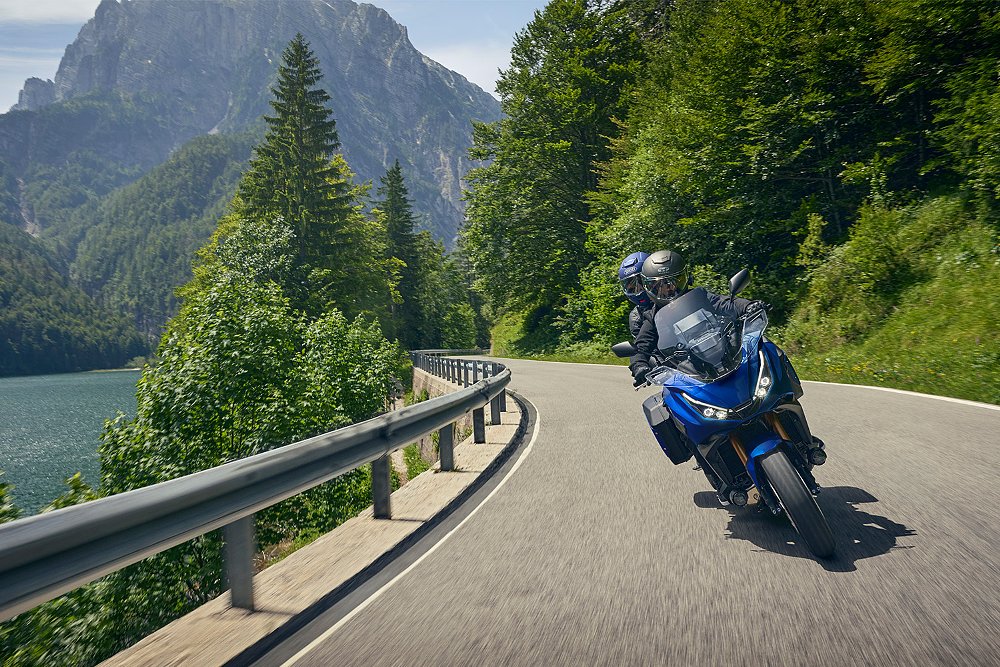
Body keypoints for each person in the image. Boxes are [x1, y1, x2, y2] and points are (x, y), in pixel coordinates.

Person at [629, 250, 765, 386]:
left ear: (685, 278)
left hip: (726, 354)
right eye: (660, 286)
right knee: (668, 396)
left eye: (674, 281)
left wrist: (748, 306)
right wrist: (639, 366)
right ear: (649, 288)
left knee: (763, 347)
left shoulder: (700, 296)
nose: (669, 289)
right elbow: (641, 346)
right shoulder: (653, 317)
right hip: (688, 374)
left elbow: (725, 303)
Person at [617, 251, 653, 339]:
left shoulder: (671, 295)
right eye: (632, 288)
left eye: (642, 283)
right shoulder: (636, 317)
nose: (638, 291)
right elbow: (644, 344)